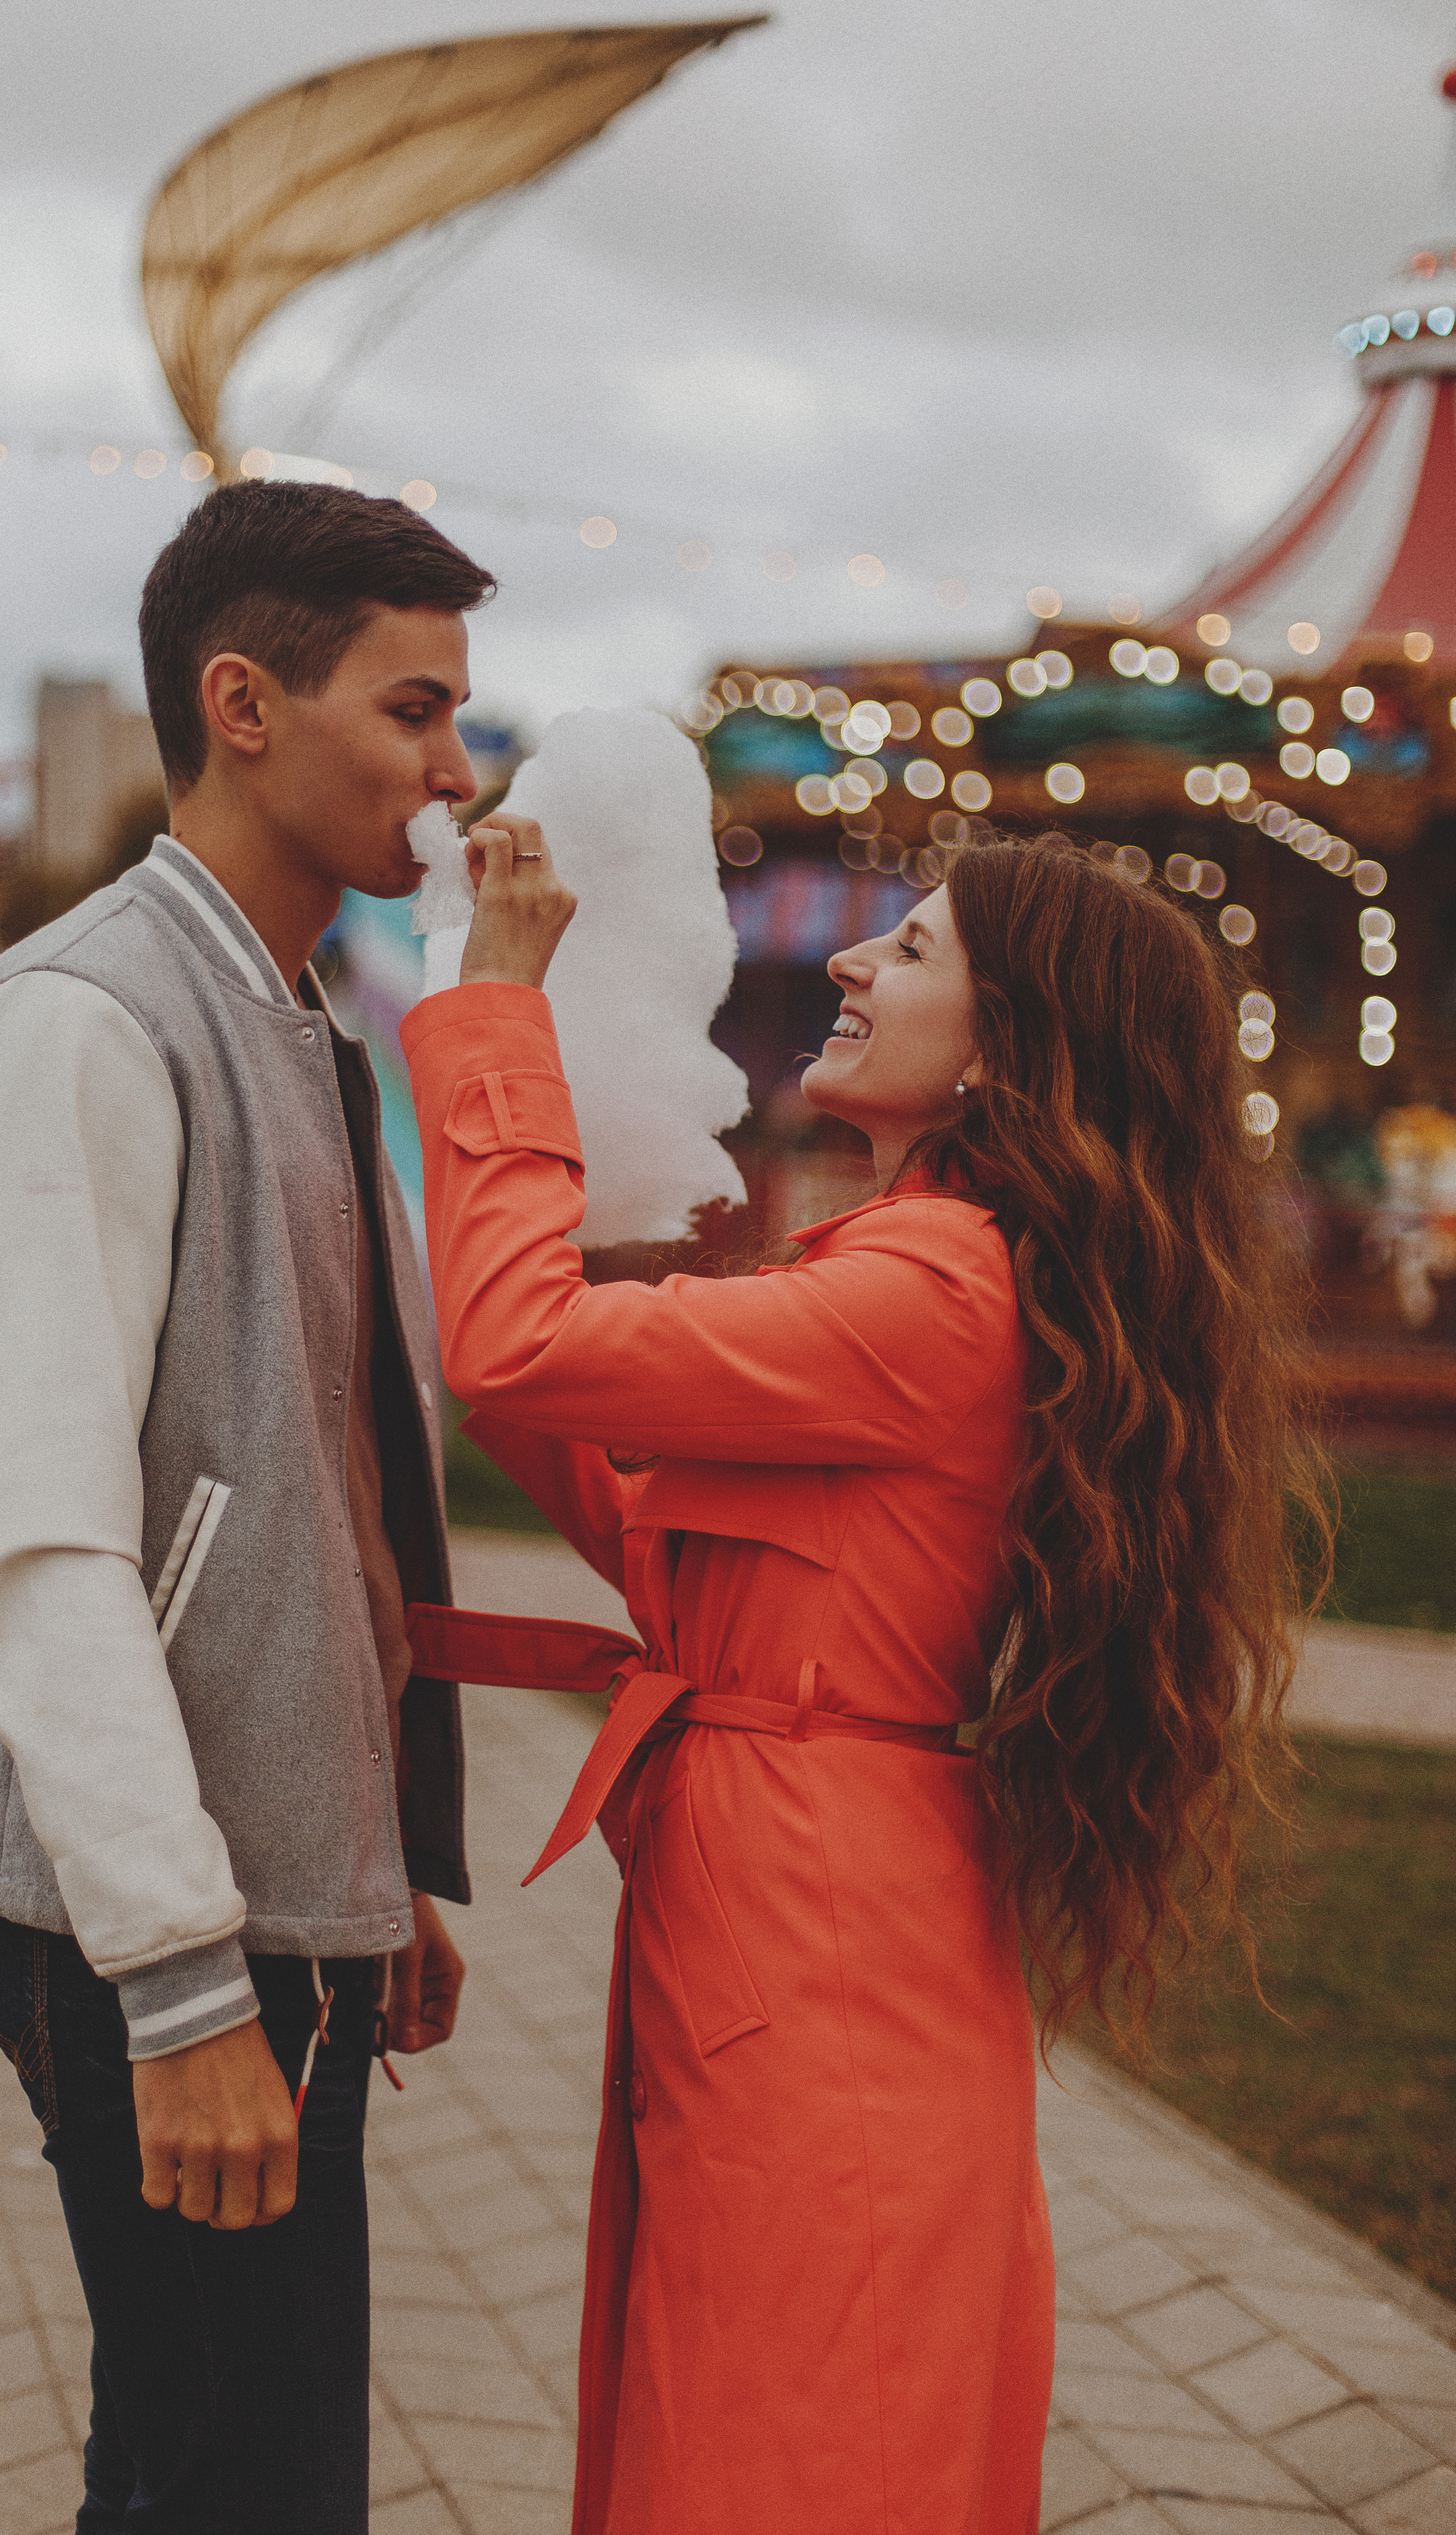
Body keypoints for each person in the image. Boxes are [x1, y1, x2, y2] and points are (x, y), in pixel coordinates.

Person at [397, 822, 1320, 2534]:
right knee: (761, 2404)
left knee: (786, 2436)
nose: (843, 962)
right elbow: (632, 1484)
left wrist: (497, 1023)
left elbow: (512, 1342)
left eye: (907, 952)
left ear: (1010, 1045)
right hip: (810, 1893)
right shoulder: (933, 1266)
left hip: (811, 1927)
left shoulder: (929, 1289)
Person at [0, 481, 496, 2532]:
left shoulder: (290, 1012)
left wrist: (369, 1842)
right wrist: (184, 1977)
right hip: (138, 1919)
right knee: (252, 2489)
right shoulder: (82, 1025)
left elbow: (307, 1478)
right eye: (414, 711)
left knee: (189, 2468)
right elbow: (39, 1548)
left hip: (250, 1883)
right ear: (244, 701)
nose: (455, 771)